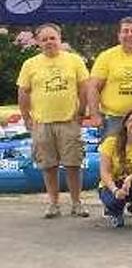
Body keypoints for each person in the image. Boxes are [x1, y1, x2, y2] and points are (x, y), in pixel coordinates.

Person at [16, 23, 90, 218]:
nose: (49, 42)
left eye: (52, 38)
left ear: (59, 39)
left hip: (69, 121)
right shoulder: (30, 65)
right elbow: (23, 92)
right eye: (44, 39)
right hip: (42, 123)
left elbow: (84, 88)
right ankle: (53, 204)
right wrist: (26, 118)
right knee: (48, 166)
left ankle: (77, 203)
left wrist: (82, 111)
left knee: (74, 164)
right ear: (38, 43)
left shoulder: (74, 61)